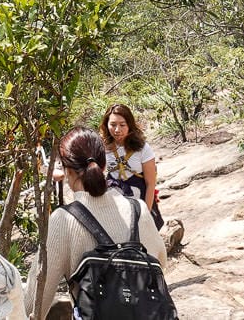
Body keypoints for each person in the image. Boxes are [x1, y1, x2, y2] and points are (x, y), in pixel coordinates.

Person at [25, 127, 168, 317]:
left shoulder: (63, 220)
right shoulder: (138, 209)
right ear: (104, 165)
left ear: (67, 171)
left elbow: (33, 305)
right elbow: (160, 262)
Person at [99, 103, 158, 216]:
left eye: (122, 125)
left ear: (129, 125)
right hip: (116, 203)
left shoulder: (143, 148)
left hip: (141, 200)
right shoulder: (103, 148)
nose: (117, 130)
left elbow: (150, 184)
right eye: (113, 125)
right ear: (106, 125)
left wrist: (146, 214)